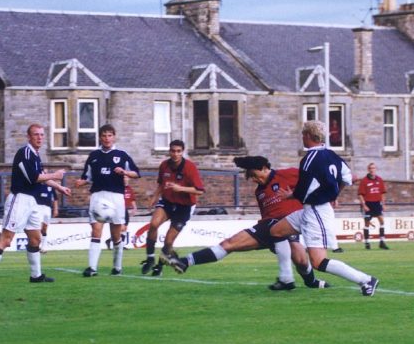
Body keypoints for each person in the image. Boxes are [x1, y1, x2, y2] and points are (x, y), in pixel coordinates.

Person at [165, 156, 329, 290]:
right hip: (269, 227)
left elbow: (313, 181)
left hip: (289, 225)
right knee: (229, 243)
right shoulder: (260, 191)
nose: (254, 179)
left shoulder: (287, 174)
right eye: (251, 176)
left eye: (255, 174)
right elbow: (267, 214)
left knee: (301, 260)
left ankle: (307, 282)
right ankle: (185, 262)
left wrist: (326, 195)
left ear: (265, 168)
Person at [269, 121, 378, 296]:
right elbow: (347, 178)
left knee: (318, 262)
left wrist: (291, 195)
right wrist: (334, 195)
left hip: (316, 212)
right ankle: (286, 277)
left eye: (303, 134)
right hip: (310, 209)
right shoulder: (332, 155)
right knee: (276, 231)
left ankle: (365, 280)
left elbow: (303, 189)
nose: (302, 138)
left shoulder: (308, 159)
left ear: (308, 136)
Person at [0, 124, 70, 285]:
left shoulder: (35, 155)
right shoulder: (25, 153)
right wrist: (56, 175)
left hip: (32, 202)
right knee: (6, 239)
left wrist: (59, 187)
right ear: (29, 136)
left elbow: (42, 176)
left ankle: (36, 276)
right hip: (20, 199)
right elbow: (33, 177)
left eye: (42, 135)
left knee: (35, 238)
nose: (39, 137)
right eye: (36, 134)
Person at [74, 124, 139, 277]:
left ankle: (117, 267)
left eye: (110, 135)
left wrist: (124, 172)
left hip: (116, 197)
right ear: (100, 137)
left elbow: (136, 173)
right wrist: (80, 182)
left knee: (116, 236)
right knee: (96, 231)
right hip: (98, 196)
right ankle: (92, 268)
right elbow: (87, 177)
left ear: (114, 137)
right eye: (104, 135)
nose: (107, 138)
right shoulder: (93, 156)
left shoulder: (122, 154)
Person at [141, 139, 205, 276]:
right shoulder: (164, 165)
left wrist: (180, 188)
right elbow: (160, 184)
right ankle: (150, 258)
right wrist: (154, 197)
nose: (175, 154)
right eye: (173, 151)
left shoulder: (190, 167)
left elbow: (199, 190)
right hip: (167, 202)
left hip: (184, 206)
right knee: (153, 224)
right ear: (169, 151)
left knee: (168, 241)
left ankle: (159, 266)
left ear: (182, 152)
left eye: (178, 151)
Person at [358, 162, 389, 250]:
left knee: (382, 221)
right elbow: (360, 194)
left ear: (376, 169)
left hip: (377, 203)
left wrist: (383, 204)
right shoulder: (364, 181)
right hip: (368, 203)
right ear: (368, 170)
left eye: (374, 168)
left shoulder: (379, 180)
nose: (372, 170)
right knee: (367, 223)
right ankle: (367, 242)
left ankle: (382, 242)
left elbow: (382, 193)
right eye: (371, 168)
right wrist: (364, 205)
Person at [38, 183, 58, 253]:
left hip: (47, 208)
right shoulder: (37, 183)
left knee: (44, 228)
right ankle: (37, 246)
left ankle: (44, 247)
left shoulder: (50, 184)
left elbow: (55, 198)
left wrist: (55, 209)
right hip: (38, 207)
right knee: (38, 227)